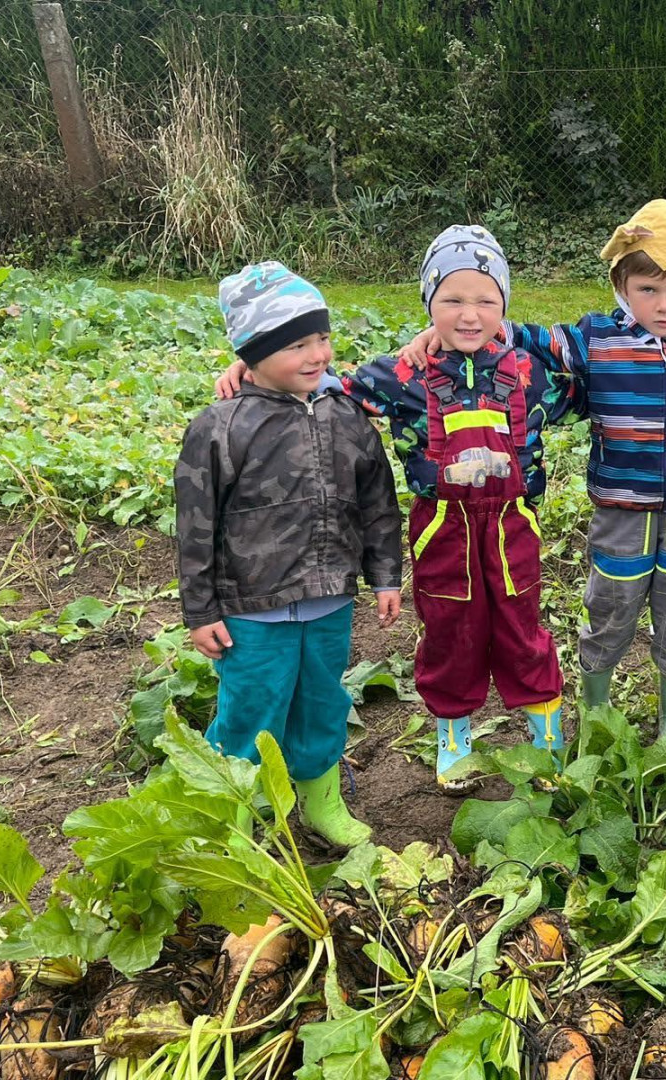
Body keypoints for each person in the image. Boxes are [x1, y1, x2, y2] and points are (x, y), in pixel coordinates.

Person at [216, 228, 580, 791]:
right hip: (442, 530)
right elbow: (334, 387)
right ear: (428, 302)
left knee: (522, 627)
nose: (469, 315)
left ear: (505, 306)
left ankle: (546, 739)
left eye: (486, 300)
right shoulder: (403, 375)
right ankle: (454, 739)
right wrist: (256, 370)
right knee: (450, 632)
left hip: (513, 527)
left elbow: (591, 386)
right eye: (451, 300)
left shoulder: (531, 372)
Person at [399, 201, 666, 736]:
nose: (664, 304)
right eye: (648, 289)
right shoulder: (595, 340)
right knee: (611, 605)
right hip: (622, 510)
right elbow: (515, 334)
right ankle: (596, 705)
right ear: (621, 286)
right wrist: (436, 334)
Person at [178, 262, 403, 846]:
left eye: (322, 338)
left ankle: (321, 801)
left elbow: (378, 502)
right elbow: (195, 526)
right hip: (252, 609)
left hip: (330, 600)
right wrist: (201, 610)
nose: (317, 355)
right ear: (252, 354)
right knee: (252, 709)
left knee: (323, 702)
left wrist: (384, 576)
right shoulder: (221, 427)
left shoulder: (348, 415)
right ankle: (231, 816)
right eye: (296, 345)